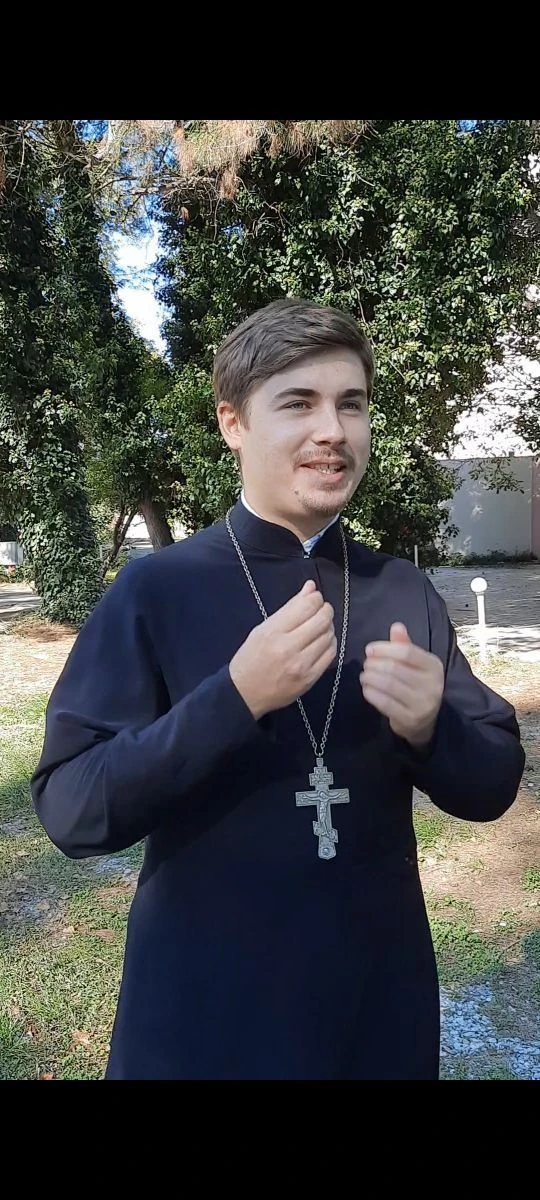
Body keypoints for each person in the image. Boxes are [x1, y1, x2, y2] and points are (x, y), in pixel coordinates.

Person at [31, 298, 525, 1080]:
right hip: (203, 1017)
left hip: (376, 1013)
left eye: (351, 404)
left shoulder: (399, 590)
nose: (333, 430)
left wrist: (434, 728)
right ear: (233, 423)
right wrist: (233, 698)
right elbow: (72, 809)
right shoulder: (156, 591)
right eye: (298, 403)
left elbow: (492, 784)